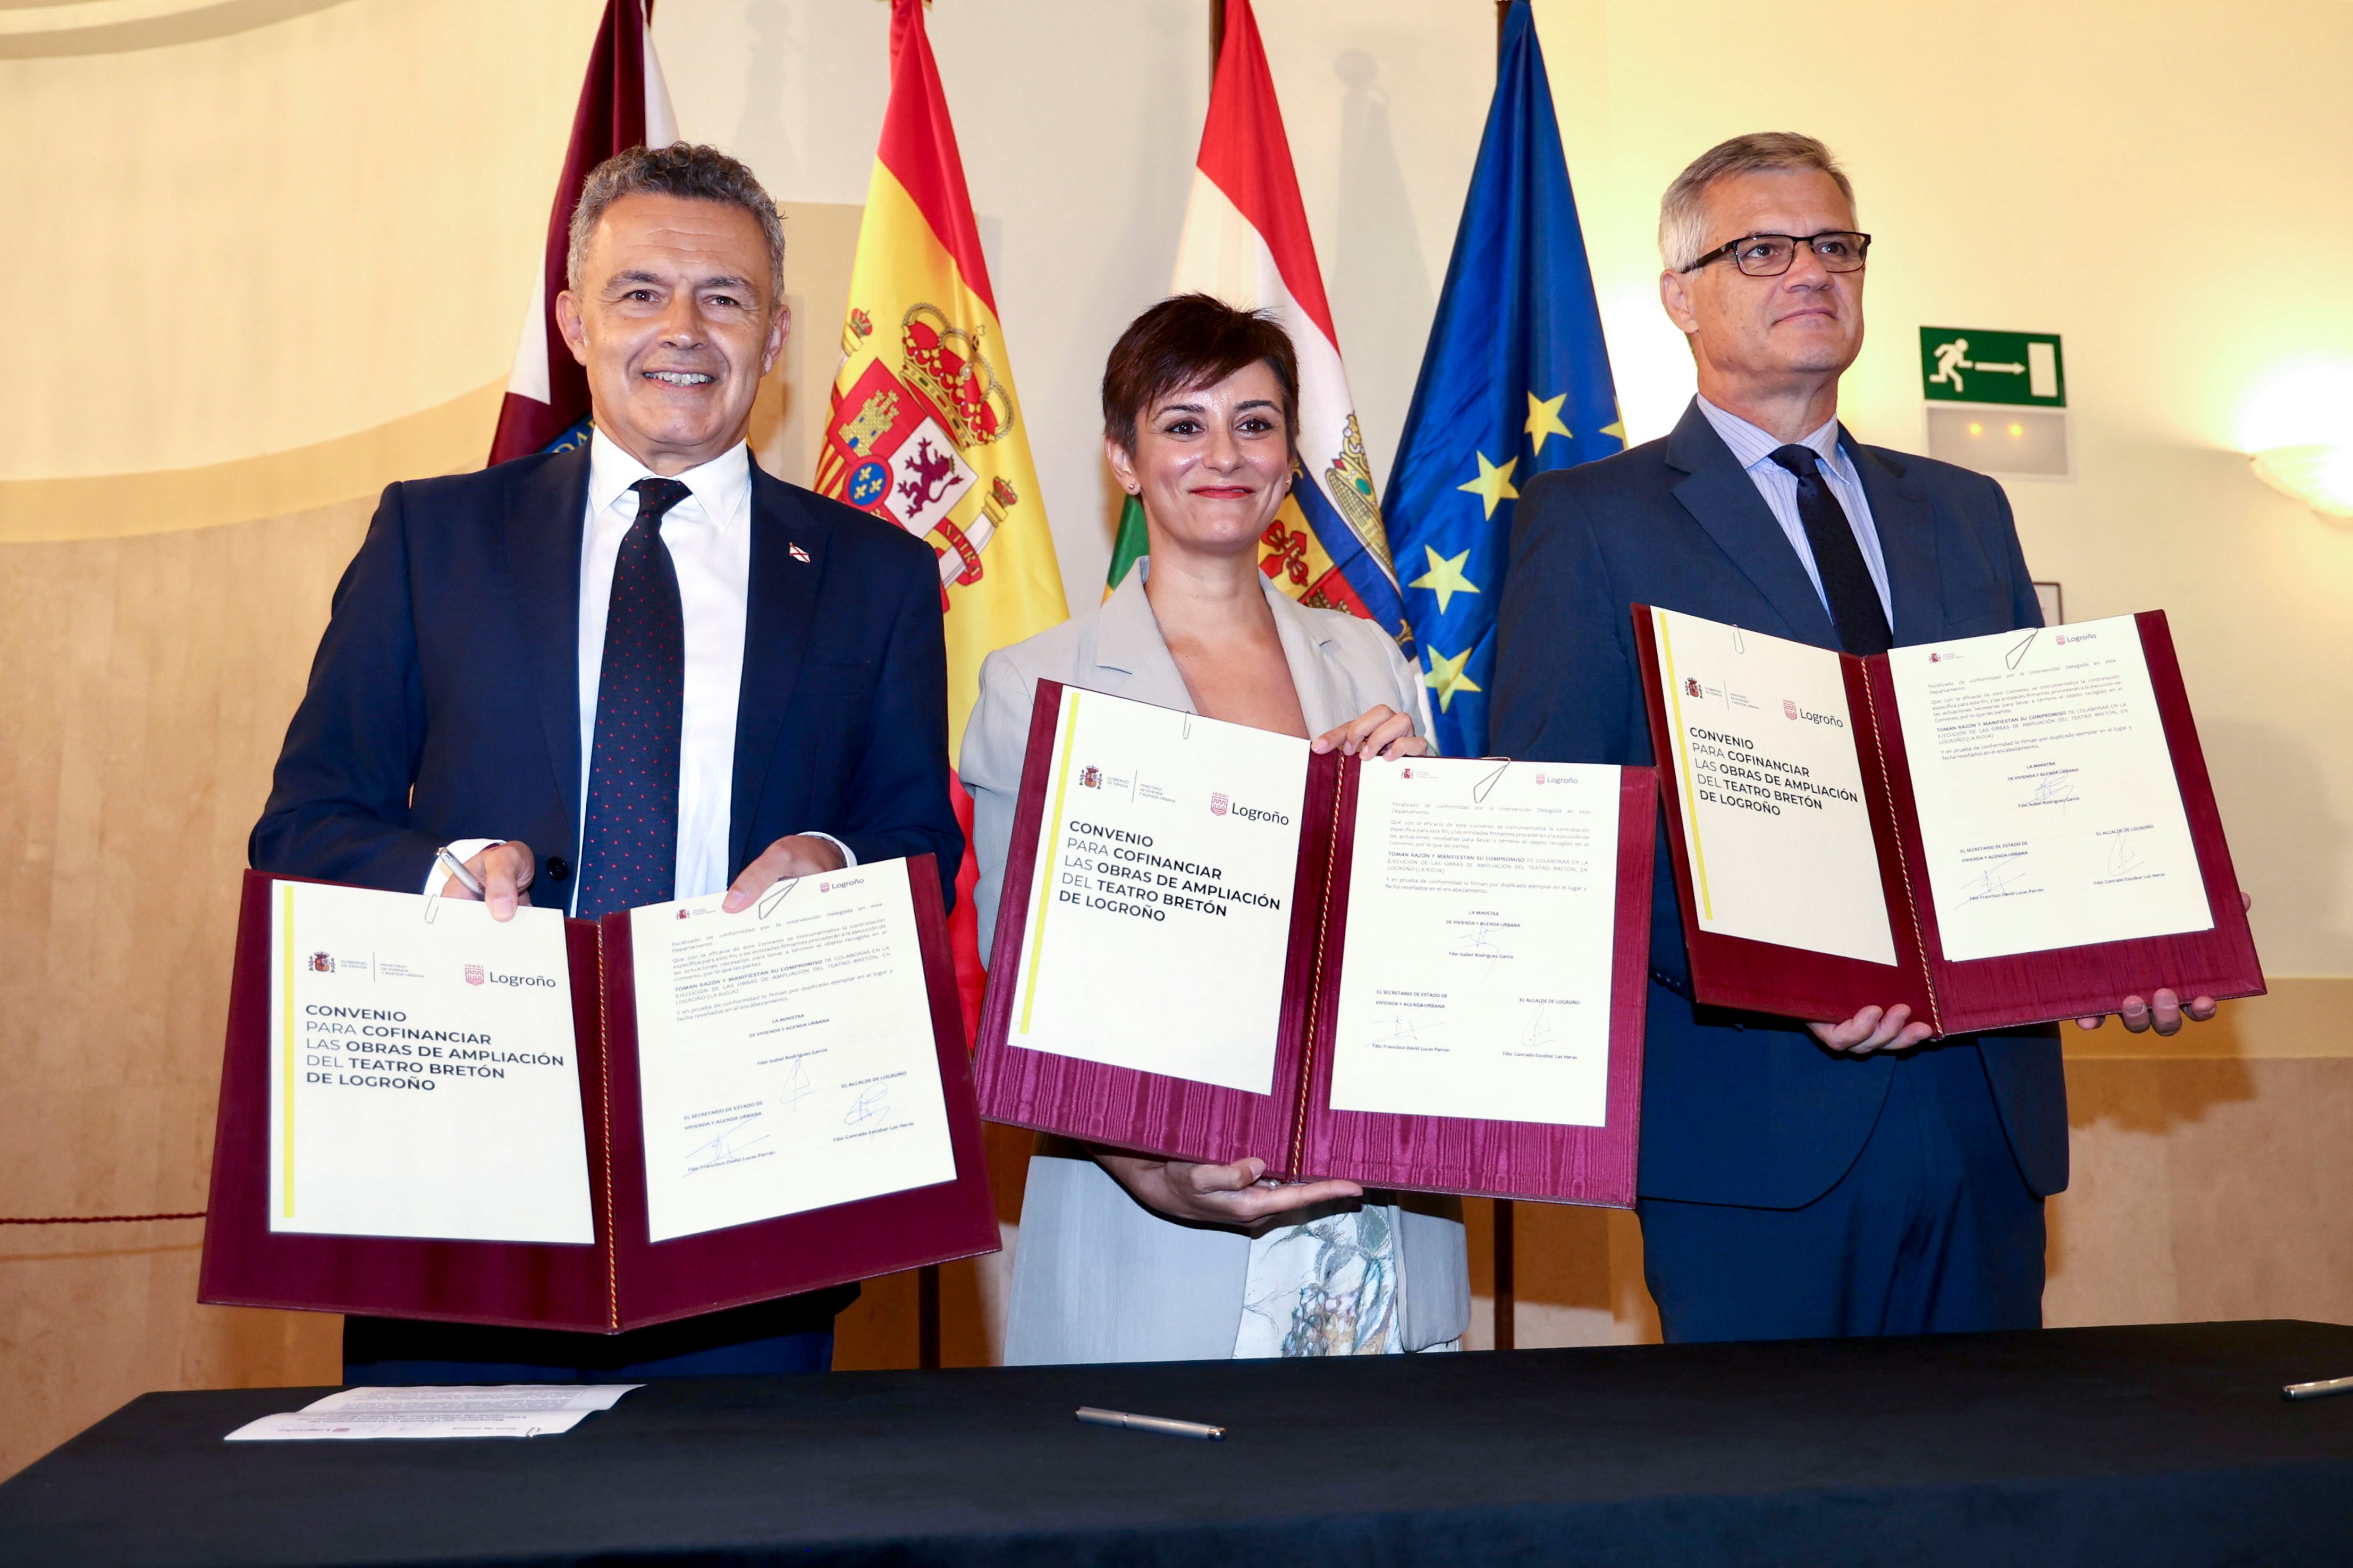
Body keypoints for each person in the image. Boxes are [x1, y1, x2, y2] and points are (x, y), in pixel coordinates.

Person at [1491, 133, 2234, 1342]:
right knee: (1775, 1506)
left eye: (1837, 245)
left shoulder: (1964, 508)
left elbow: (2025, 782)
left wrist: (2131, 932)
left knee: (1987, 1503)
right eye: (1765, 250)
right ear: (1682, 295)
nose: (1812, 273)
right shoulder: (1591, 522)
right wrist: (1781, 980)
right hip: (1755, 1125)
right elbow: (1567, 827)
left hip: (1984, 1108)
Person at [251, 143, 962, 1382]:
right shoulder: (435, 537)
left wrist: (834, 863)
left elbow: (921, 839)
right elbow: (305, 826)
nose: (682, 330)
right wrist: (445, 875)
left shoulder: (877, 577)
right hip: (464, 1198)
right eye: (640, 293)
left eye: (725, 298)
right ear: (575, 319)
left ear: (777, 332)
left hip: (753, 1210)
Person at [962, 294, 1471, 1362]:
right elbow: (1029, 998)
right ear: (1121, 457)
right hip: (1158, 1243)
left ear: (1290, 456)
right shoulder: (1036, 684)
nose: (1224, 455)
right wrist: (1159, 1174)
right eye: (1183, 424)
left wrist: (1435, 826)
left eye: (1256, 421)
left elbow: (1428, 957)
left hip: (1372, 1225)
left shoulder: (1374, 660)